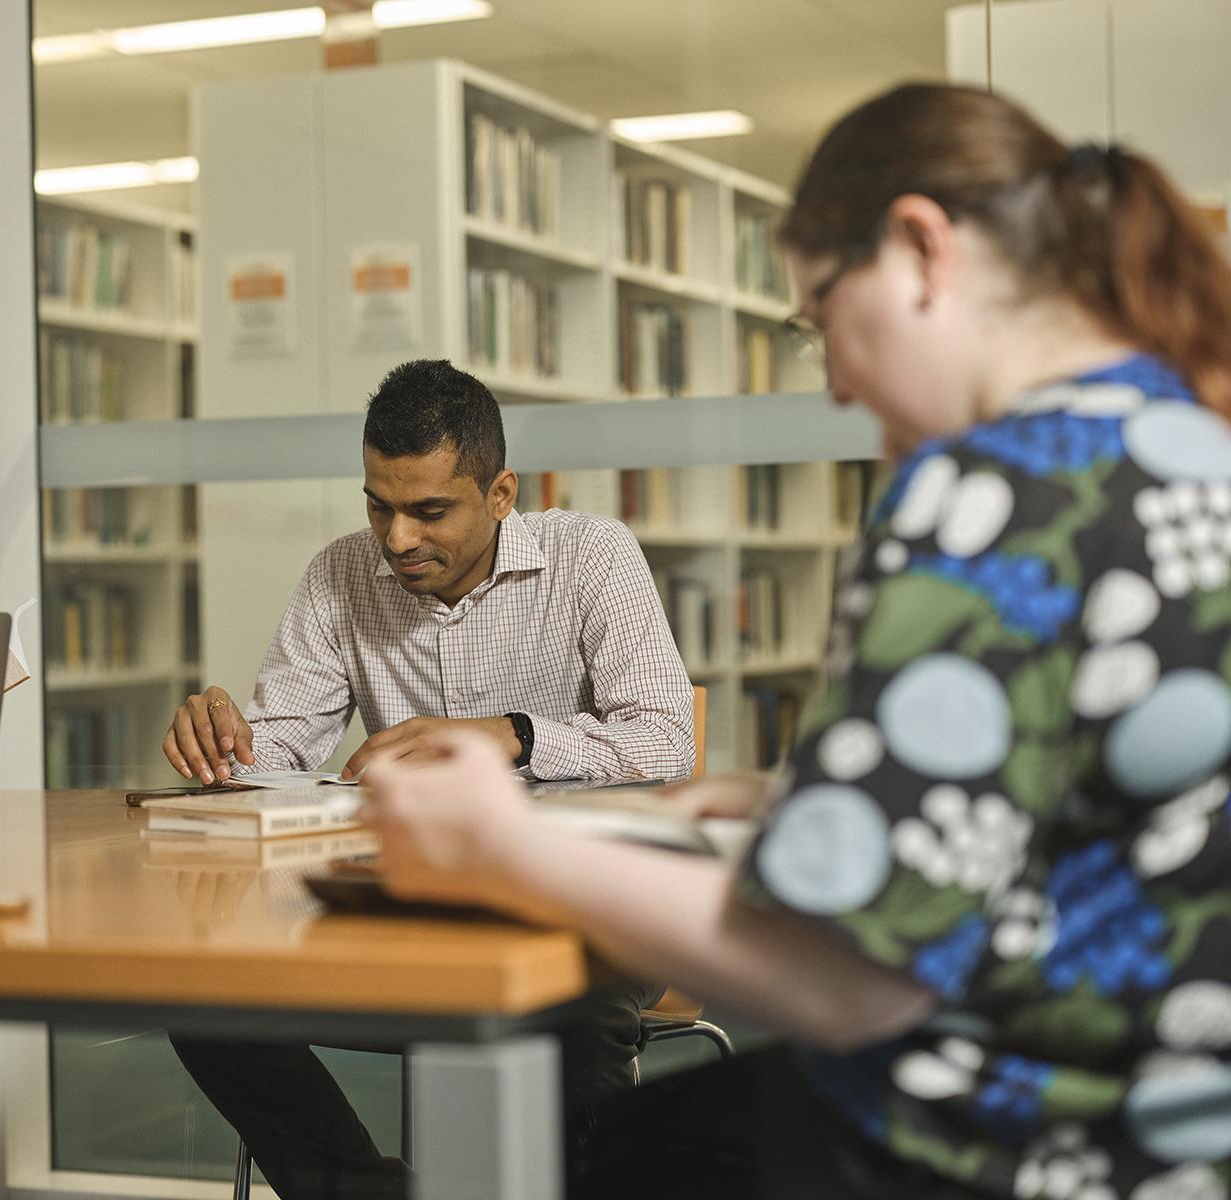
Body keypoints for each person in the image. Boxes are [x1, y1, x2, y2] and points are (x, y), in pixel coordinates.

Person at [365, 82, 1231, 1199]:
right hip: (1178, 1132)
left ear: (921, 249)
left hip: (1013, 1144)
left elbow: (844, 981)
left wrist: (499, 844)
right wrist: (811, 802)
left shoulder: (989, 493)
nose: (834, 387)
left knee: (585, 1152)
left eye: (824, 320)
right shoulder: (1185, 442)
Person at [164, 358, 695, 1198]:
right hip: (402, 902)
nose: (398, 538)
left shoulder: (592, 557)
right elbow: (279, 756)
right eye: (379, 504)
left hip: (583, 903)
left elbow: (667, 740)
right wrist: (226, 745)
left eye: (429, 510)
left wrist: (509, 738)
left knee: (575, 1010)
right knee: (204, 1001)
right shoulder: (342, 573)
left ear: (501, 493)